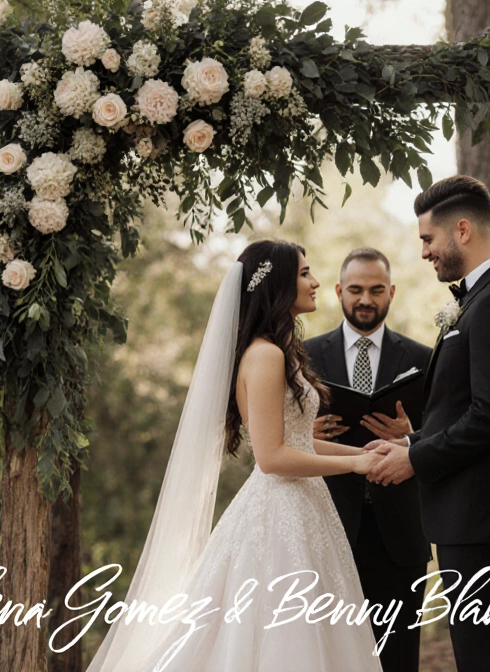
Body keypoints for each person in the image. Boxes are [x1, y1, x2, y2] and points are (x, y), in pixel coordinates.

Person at [87, 240, 384, 672]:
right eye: (304, 273)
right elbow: (272, 457)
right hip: (278, 511)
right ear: (278, 284)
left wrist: (364, 451)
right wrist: (354, 465)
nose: (316, 282)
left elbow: (298, 441)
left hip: (304, 507)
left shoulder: (281, 352)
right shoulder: (264, 356)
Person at [367, 175, 490, 672]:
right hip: (471, 514)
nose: (424, 251)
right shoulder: (480, 299)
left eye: (428, 238)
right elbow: (473, 408)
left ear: (461, 230)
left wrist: (414, 460)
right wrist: (413, 439)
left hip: (484, 515)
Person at [304, 247, 431, 672]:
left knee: (396, 659)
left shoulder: (422, 359)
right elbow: (272, 432)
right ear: (339, 291)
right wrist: (306, 435)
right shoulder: (302, 355)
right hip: (326, 526)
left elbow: (446, 434)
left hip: (399, 532)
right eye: (356, 289)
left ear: (391, 292)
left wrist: (411, 434)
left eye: (376, 290)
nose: (365, 299)